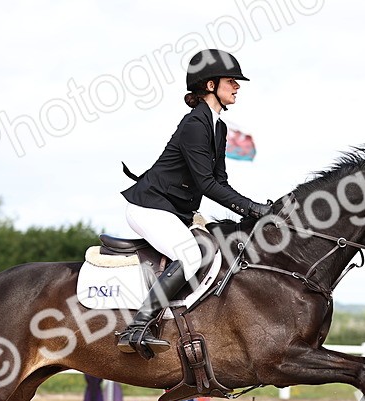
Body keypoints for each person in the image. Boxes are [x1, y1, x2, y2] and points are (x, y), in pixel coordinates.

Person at [116, 49, 273, 357]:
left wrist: (250, 210)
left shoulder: (218, 126)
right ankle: (137, 327)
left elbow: (220, 181)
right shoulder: (194, 124)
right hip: (149, 207)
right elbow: (207, 185)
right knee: (189, 255)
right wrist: (253, 209)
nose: (237, 87)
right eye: (231, 81)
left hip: (175, 210)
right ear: (210, 85)